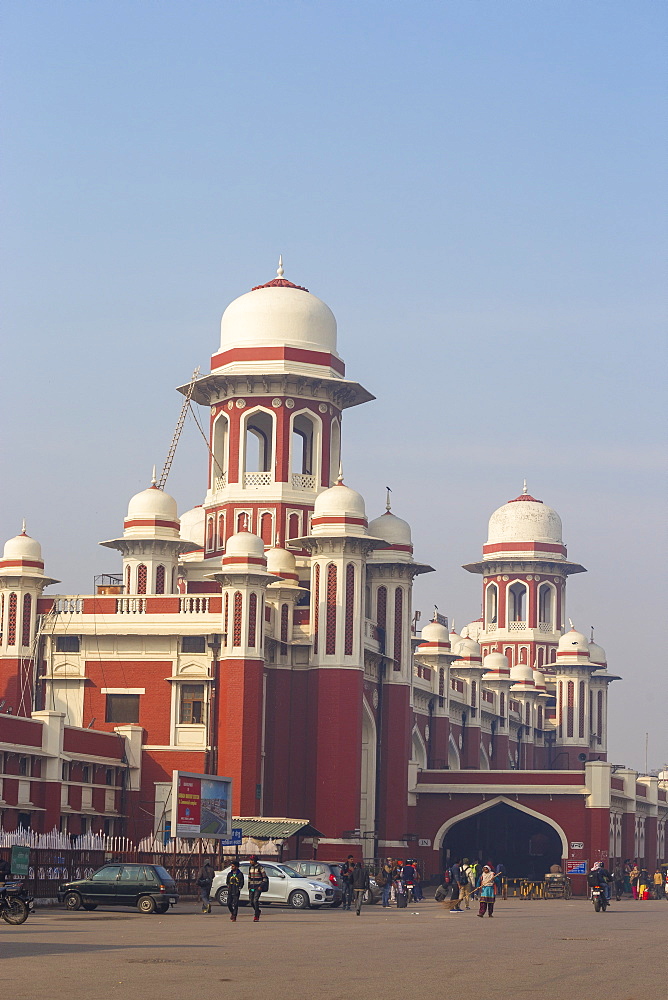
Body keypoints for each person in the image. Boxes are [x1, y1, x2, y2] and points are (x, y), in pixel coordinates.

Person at [247, 855, 267, 922]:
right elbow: (249, 877)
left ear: (254, 861)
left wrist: (261, 886)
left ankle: (256, 915)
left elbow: (264, 878)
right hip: (252, 887)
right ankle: (257, 910)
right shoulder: (250, 867)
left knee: (255, 900)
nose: (250, 861)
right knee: (251, 901)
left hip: (258, 887)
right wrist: (249, 886)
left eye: (251, 860)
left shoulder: (260, 867)